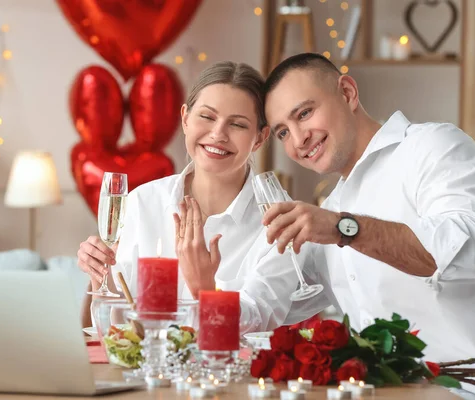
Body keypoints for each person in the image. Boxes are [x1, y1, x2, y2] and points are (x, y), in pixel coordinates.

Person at [262, 52, 475, 399]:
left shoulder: (435, 147)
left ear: (347, 93)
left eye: (304, 113)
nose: (298, 139)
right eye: (283, 132)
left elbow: (474, 253)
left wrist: (345, 229)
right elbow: (270, 302)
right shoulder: (330, 211)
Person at [76, 61, 330, 334]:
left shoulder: (283, 223)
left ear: (259, 138)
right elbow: (119, 324)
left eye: (237, 124)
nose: (218, 134)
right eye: (207, 117)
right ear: (185, 118)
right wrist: (100, 274)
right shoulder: (143, 202)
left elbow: (259, 316)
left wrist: (204, 289)